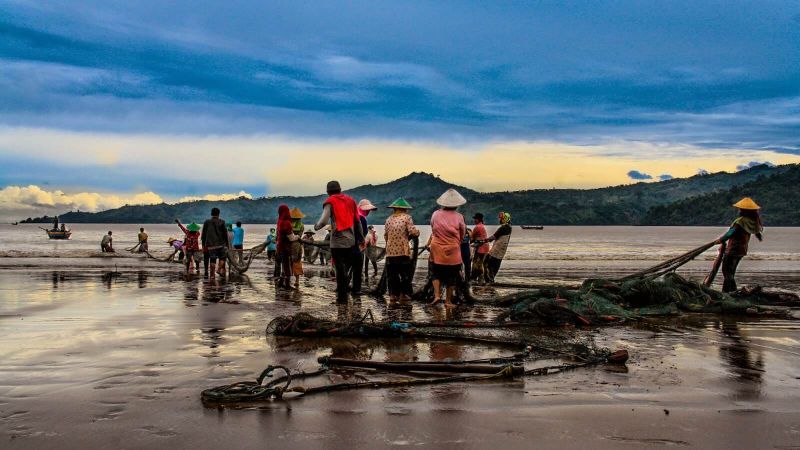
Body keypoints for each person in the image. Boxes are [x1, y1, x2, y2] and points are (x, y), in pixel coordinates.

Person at [314, 180, 364, 302]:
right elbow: (357, 222)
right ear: (340, 190)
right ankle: (356, 293)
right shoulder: (351, 201)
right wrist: (361, 239)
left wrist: (316, 226)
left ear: (328, 192)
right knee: (351, 268)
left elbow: (324, 221)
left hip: (337, 243)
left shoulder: (330, 201)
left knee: (341, 271)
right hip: (351, 242)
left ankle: (342, 299)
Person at [428, 188, 467, 307]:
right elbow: (462, 233)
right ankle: (448, 301)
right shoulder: (459, 216)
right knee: (452, 276)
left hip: (436, 248)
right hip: (453, 249)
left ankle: (437, 295)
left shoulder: (435, 214)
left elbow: (432, 228)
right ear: (457, 204)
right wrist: (456, 242)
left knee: (435, 272)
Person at [716, 197, 764, 293]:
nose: (738, 210)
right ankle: (729, 292)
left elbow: (730, 234)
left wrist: (720, 240)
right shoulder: (753, 222)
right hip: (742, 250)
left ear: (743, 210)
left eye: (740, 209)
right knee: (731, 273)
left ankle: (729, 293)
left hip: (733, 249)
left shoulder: (740, 221)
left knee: (727, 273)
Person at [384, 198, 420, 301]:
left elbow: (386, 236)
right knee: (405, 274)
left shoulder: (388, 219)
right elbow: (412, 231)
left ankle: (393, 295)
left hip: (390, 251)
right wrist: (418, 232)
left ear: (394, 209)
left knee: (392, 275)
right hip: (402, 251)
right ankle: (404, 294)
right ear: (404, 209)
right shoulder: (407, 218)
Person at [484, 212, 513, 284]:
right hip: (501, 250)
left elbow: (494, 237)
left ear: (505, 219)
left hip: (497, 249)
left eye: (501, 218)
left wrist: (485, 240)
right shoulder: (509, 227)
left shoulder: (504, 228)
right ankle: (491, 279)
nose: (499, 220)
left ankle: (489, 280)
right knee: (495, 265)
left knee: (487, 263)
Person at [201, 207, 229, 280]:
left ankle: (212, 276)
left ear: (211, 213)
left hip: (211, 246)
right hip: (221, 245)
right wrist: (227, 245)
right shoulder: (222, 222)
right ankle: (219, 269)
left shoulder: (207, 222)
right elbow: (225, 234)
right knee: (222, 258)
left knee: (212, 260)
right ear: (219, 214)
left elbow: (203, 235)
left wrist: (203, 246)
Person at [275, 204, 298, 288]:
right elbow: (291, 238)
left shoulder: (279, 222)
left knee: (282, 265)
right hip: (286, 248)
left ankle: (281, 283)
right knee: (287, 265)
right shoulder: (287, 223)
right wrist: (298, 237)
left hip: (279, 247)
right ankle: (287, 284)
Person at [357, 199, 377, 278]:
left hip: (351, 244)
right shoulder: (362, 218)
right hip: (359, 246)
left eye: (369, 210)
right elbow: (364, 233)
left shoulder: (354, 215)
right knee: (358, 265)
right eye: (367, 210)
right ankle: (357, 287)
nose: (368, 211)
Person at [470, 213, 491, 284]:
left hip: (481, 247)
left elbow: (471, 239)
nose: (474, 220)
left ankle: (476, 279)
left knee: (477, 263)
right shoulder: (482, 226)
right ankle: (483, 279)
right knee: (482, 263)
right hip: (485, 247)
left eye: (475, 219)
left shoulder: (477, 227)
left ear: (478, 219)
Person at [289, 207, 306, 287]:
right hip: (298, 245)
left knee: (291, 262)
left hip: (291, 246)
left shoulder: (289, 225)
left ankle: (290, 279)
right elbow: (299, 236)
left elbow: (291, 236)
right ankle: (297, 280)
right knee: (297, 262)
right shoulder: (301, 226)